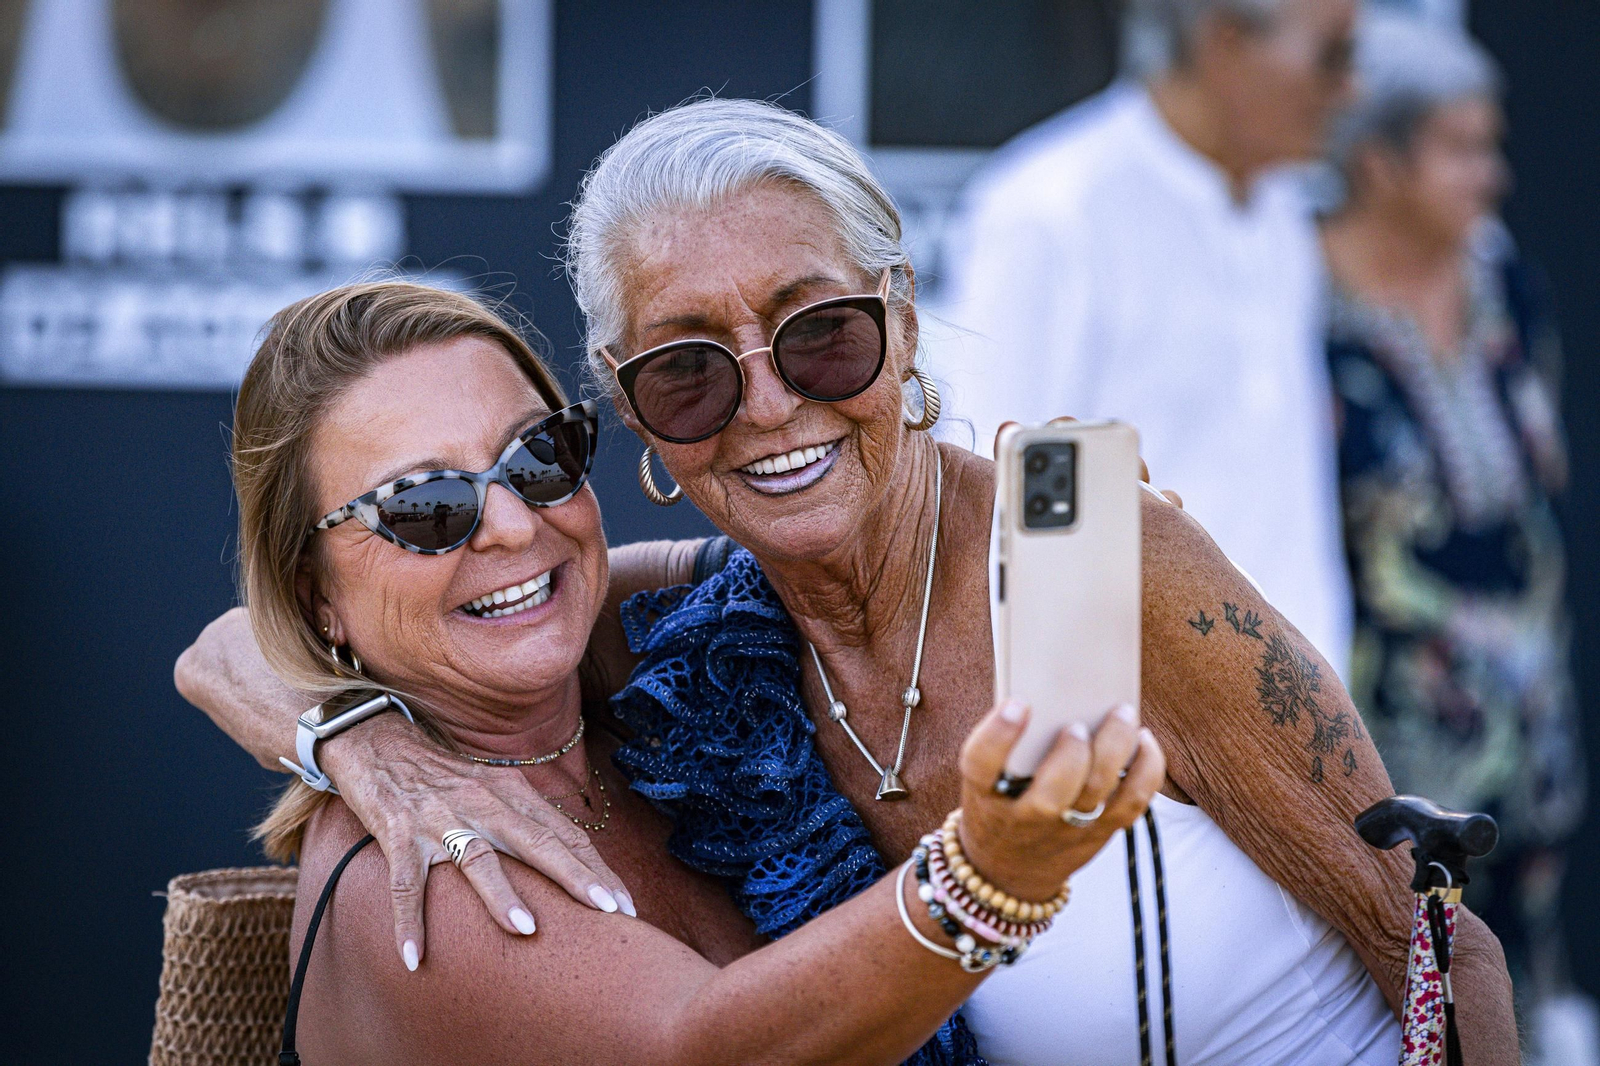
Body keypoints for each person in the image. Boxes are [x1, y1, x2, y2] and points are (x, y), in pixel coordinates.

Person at [179, 99, 1519, 1064]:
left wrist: (345, 728)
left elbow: (1439, 945)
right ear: (638, 415)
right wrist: (361, 745)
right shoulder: (673, 646)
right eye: (690, 369)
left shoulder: (1099, 566)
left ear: (903, 319)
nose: (767, 405)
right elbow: (246, 636)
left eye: (823, 334)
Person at [223, 279, 1160, 1065]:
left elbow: (823, 564)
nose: (512, 525)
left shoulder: (633, 661)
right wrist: (990, 874)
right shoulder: (422, 877)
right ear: (317, 598)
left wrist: (1009, 522)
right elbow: (702, 1048)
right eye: (425, 506)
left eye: (539, 457)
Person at [938, 0, 1357, 673]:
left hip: (1307, 708)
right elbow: (997, 479)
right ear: (1225, 44)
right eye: (1334, 56)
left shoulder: (1280, 210)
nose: (1352, 89)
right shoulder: (1051, 210)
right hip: (1139, 733)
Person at [1320, 13, 1587, 1053]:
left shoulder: (1500, 277)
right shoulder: (1304, 311)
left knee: (1525, 971)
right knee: (1412, 981)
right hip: (1396, 736)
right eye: (1463, 147)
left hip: (1530, 719)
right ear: (1380, 159)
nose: (1492, 175)